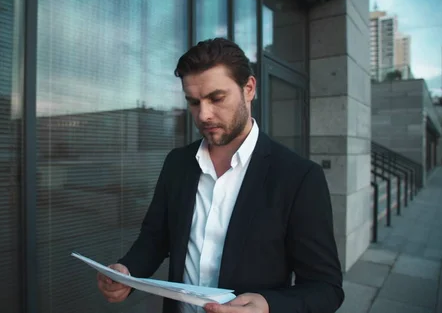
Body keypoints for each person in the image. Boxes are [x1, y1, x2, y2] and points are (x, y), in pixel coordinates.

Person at [96, 38, 344, 313]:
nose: (204, 115)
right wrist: (127, 271)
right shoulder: (178, 163)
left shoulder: (299, 177)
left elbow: (326, 288)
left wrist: (268, 306)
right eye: (193, 102)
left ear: (249, 89)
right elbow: (155, 237)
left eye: (216, 98)